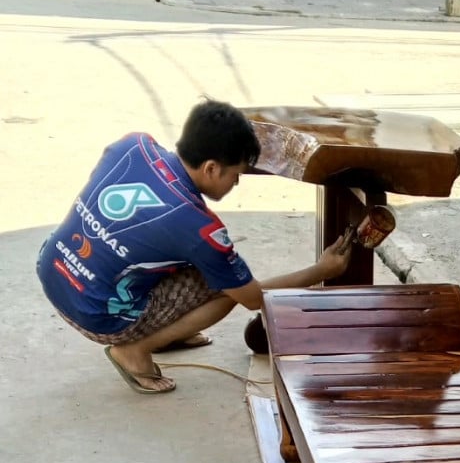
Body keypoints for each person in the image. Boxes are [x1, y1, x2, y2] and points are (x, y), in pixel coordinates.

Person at [36, 100, 352, 394]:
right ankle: (135, 350)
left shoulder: (132, 145)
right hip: (96, 315)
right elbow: (252, 298)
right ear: (211, 168)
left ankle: (166, 332)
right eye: (235, 175)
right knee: (225, 289)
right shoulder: (200, 227)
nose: (236, 183)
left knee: (177, 254)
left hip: (53, 270)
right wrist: (321, 270)